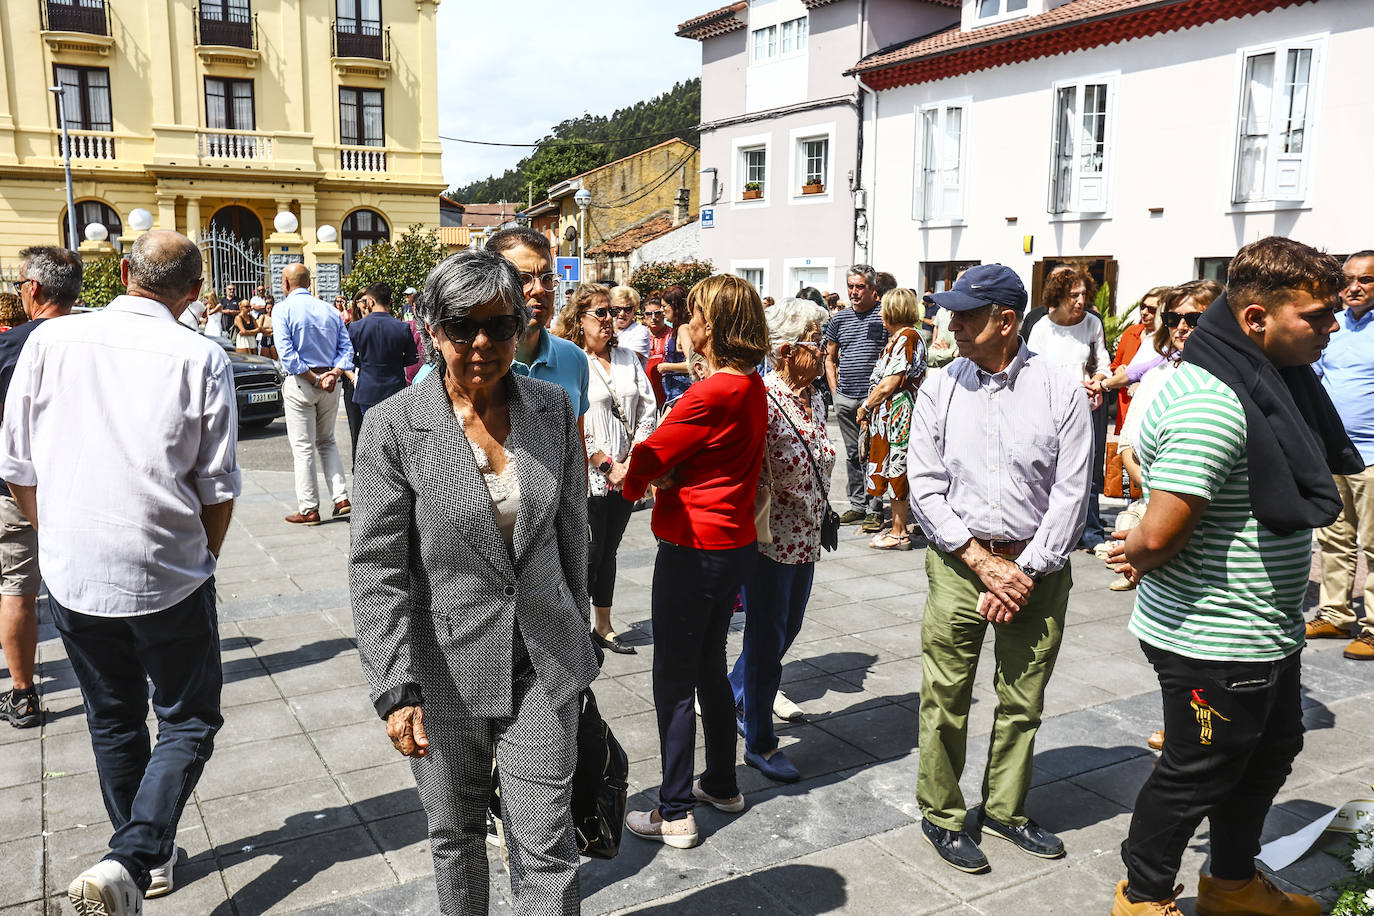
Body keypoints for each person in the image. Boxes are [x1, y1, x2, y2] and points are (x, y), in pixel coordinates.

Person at [1107, 237, 1353, 916]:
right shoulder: (1213, 403)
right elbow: (1157, 534)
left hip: (1260, 627)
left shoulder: (1266, 381)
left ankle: (1233, 886)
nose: (1332, 327)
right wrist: (1136, 551)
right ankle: (1143, 899)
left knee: (1269, 751)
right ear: (1255, 320)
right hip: (1213, 635)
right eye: (1318, 316)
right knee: (1196, 773)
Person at [351, 248, 598, 916]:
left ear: (521, 325)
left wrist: (584, 636)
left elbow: (572, 529)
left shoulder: (550, 408)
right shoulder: (394, 427)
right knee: (456, 833)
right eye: (463, 327)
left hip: (541, 661)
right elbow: (378, 568)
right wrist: (394, 685)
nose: (483, 342)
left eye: (500, 324)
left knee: (547, 845)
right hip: (443, 669)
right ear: (433, 330)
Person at [0, 231, 239, 915]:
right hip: (168, 568)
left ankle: (142, 858)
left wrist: (62, 536)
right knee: (189, 718)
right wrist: (203, 557)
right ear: (194, 293)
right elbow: (217, 486)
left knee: (113, 719)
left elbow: (17, 467)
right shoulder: (199, 354)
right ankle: (136, 856)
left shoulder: (47, 342)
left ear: (124, 273)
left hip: (74, 571)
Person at [907, 264, 1092, 875]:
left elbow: (1072, 493)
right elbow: (925, 487)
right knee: (946, 693)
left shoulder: (1060, 385)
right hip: (961, 563)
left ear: (1005, 321)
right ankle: (941, 812)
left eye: (964, 314)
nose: (951, 324)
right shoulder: (939, 387)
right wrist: (983, 564)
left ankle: (1006, 809)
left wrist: (1026, 570)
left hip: (1037, 565)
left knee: (1023, 699)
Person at [621, 274, 769, 849]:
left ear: (711, 329)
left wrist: (635, 478)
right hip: (733, 545)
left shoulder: (710, 392)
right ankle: (722, 782)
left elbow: (649, 457)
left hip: (692, 548)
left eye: (693, 314)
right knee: (709, 662)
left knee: (674, 679)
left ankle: (676, 809)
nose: (684, 322)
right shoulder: (750, 385)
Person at [729, 297, 834, 783]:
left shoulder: (809, 398)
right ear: (788, 350)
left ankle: (733, 694)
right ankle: (760, 741)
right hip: (769, 544)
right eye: (817, 342)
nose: (825, 349)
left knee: (785, 631)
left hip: (805, 538)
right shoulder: (764, 399)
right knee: (767, 639)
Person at [0, 246, 81, 730]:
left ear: (33, 289)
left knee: (19, 591)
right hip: (88, 482)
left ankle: (24, 693)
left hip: (19, 486)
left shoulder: (11, 347)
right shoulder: (99, 339)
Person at [558, 284, 656, 656]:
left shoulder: (629, 359)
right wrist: (603, 462)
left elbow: (648, 409)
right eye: (600, 313)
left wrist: (633, 459)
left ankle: (603, 625)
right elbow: (569, 418)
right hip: (590, 475)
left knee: (609, 548)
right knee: (590, 550)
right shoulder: (571, 360)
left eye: (612, 313)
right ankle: (573, 625)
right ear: (579, 319)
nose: (609, 320)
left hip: (626, 471)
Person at [1112, 281, 1222, 601]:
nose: (1181, 328)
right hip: (1158, 507)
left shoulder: (1230, 380)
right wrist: (1156, 494)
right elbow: (1127, 445)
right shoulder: (1157, 376)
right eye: (1173, 319)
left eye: (1194, 319)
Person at [1307, 250, 1374, 661]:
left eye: (1365, 280)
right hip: (1331, 452)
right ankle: (1335, 612)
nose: (1353, 287)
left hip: (1372, 456)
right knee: (1334, 538)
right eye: (1347, 279)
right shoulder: (1331, 327)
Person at [1027, 264, 1110, 554]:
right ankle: (1053, 531)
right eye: (1074, 295)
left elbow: (1103, 364)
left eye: (1084, 294)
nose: (1080, 301)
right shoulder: (1041, 329)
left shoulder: (1092, 324)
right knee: (1052, 471)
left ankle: (1092, 532)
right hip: (1051, 411)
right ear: (1058, 296)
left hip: (1087, 409)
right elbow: (1032, 371)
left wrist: (1098, 382)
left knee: (1088, 472)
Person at [277, 263, 355, 526]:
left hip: (303, 382)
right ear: (309, 283)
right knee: (327, 441)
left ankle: (309, 508)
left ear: (286, 284)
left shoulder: (283, 309)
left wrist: (315, 378)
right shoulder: (330, 310)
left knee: (303, 447)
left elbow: (287, 355)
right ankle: (341, 498)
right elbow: (347, 350)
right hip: (330, 384)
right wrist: (332, 373)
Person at [487, 227, 590, 425]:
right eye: (522, 279)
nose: (539, 290)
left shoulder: (574, 358)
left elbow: (577, 450)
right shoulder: (468, 362)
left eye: (547, 278)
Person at [859, 288, 927, 550]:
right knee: (892, 468)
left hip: (897, 414)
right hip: (892, 414)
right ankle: (897, 529)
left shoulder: (906, 337)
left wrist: (865, 406)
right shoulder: (903, 337)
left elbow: (890, 383)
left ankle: (899, 533)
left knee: (897, 468)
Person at [825, 265, 889, 529]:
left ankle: (875, 508)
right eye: (850, 286)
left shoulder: (884, 317)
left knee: (874, 454)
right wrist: (834, 392)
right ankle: (857, 505)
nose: (853, 292)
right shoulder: (838, 320)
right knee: (852, 454)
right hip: (845, 397)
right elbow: (829, 358)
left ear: (873, 289)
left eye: (859, 286)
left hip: (872, 400)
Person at [1102, 287, 1168, 433]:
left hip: (1149, 410)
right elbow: (1115, 365)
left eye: (1151, 309)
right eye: (1143, 307)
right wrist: (1117, 370)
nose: (1144, 312)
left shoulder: (1168, 341)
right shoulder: (1131, 332)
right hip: (1125, 405)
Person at [656, 285, 694, 403]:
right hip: (674, 392)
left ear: (675, 307)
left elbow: (692, 364)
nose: (661, 310)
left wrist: (667, 367)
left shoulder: (683, 329)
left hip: (681, 392)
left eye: (664, 306)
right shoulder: (678, 329)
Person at [643, 291, 672, 406]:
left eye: (657, 313)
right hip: (644, 394)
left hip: (668, 393)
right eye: (649, 314)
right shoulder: (639, 336)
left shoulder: (673, 335)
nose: (653, 318)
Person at [611, 285, 651, 362]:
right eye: (618, 309)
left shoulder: (640, 331)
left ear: (634, 310)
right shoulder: (607, 328)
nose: (622, 313)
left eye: (627, 309)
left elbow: (631, 359)